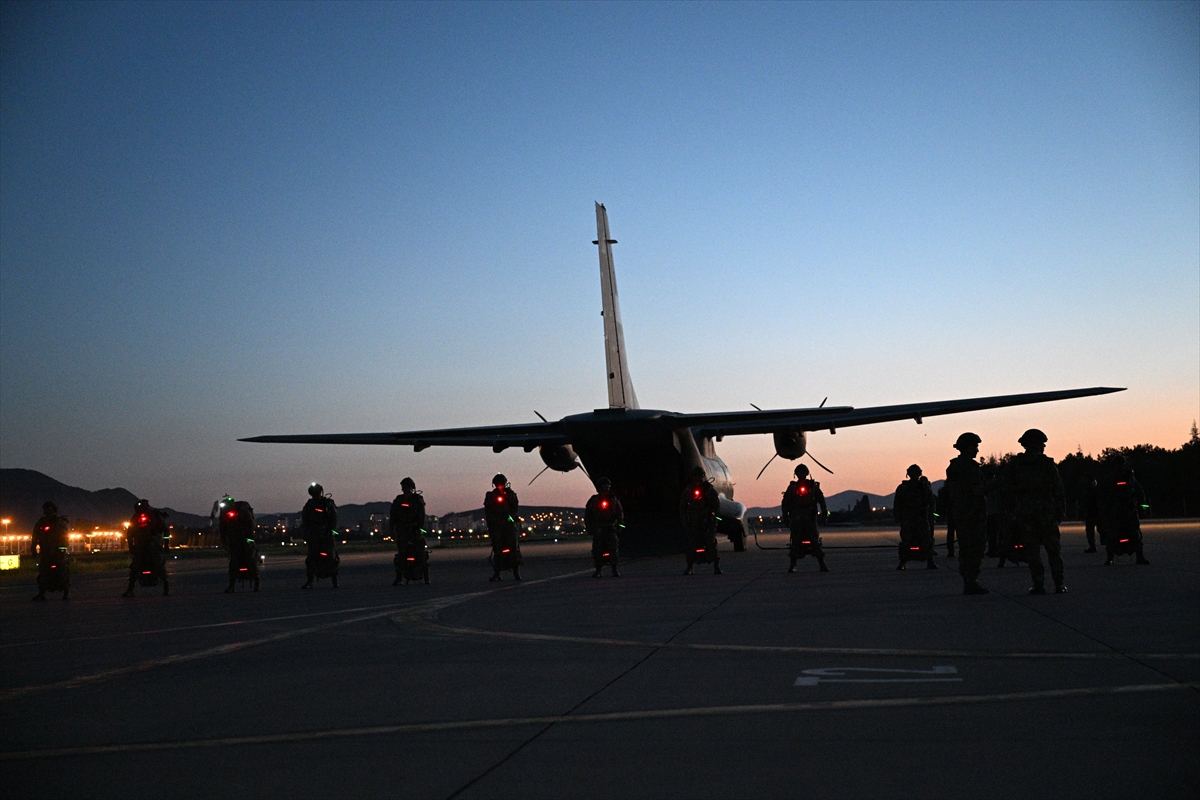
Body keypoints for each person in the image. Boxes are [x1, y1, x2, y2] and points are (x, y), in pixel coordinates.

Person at [1005, 429, 1067, 594]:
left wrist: (1011, 512)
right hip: (1046, 512)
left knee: (1032, 550)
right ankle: (1059, 584)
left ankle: (1038, 583)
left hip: (1026, 513)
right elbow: (1058, 489)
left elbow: (1008, 489)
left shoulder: (1017, 464)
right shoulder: (1047, 464)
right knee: (1053, 549)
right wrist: (1061, 510)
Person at [944, 433, 990, 595]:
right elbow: (975, 490)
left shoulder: (954, 466)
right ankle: (971, 581)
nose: (977, 449)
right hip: (972, 513)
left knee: (965, 547)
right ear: (968, 447)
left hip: (961, 512)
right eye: (975, 446)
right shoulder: (969, 467)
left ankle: (968, 580)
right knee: (975, 548)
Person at [1097, 453, 1150, 566]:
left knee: (1136, 533)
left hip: (1130, 510)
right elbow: (1102, 496)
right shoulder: (1109, 480)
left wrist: (1143, 508)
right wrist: (1104, 511)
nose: (1119, 467)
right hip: (1115, 512)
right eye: (1117, 464)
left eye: (1121, 464)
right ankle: (1110, 557)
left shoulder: (1131, 479)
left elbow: (1140, 493)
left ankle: (1140, 557)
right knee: (1111, 534)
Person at [781, 463, 829, 573]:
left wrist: (824, 514)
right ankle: (793, 565)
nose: (801, 475)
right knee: (795, 542)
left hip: (809, 517)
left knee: (814, 541)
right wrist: (786, 517)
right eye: (800, 473)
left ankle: (821, 564)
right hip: (798, 518)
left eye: (803, 473)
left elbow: (821, 501)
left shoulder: (813, 487)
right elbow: (785, 503)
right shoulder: (793, 487)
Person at [122, 499, 170, 597]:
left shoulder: (155, 516)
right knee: (135, 566)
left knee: (159, 564)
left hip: (153, 544)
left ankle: (166, 587)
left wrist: (166, 544)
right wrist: (131, 546)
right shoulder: (135, 518)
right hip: (140, 545)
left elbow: (166, 530)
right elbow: (130, 533)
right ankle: (131, 588)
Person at [893, 465, 936, 571]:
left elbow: (931, 501)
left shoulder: (924, 487)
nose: (914, 475)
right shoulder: (903, 488)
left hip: (921, 517)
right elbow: (897, 503)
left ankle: (930, 561)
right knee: (906, 540)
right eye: (912, 473)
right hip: (907, 518)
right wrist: (897, 516)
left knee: (926, 540)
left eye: (916, 473)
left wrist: (932, 514)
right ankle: (902, 561)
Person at [680, 466, 721, 575]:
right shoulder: (688, 491)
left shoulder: (709, 490)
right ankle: (690, 566)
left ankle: (716, 566)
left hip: (707, 521)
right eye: (696, 476)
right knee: (691, 543)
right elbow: (682, 507)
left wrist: (715, 520)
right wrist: (685, 522)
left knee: (711, 543)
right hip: (693, 521)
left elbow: (716, 506)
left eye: (699, 476)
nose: (698, 479)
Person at [390, 477, 429, 585]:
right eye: (403, 487)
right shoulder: (398, 500)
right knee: (401, 555)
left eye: (407, 487)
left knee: (421, 553)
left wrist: (420, 531)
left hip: (415, 530)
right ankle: (399, 577)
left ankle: (426, 575)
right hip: (402, 531)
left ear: (412, 488)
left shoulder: (417, 500)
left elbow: (422, 517)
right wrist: (392, 531)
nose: (405, 489)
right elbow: (392, 516)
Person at [300, 483, 339, 589]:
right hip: (313, 536)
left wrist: (331, 530)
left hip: (326, 535)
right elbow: (305, 520)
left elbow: (334, 518)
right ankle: (310, 580)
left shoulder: (328, 503)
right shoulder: (309, 504)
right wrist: (306, 534)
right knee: (311, 559)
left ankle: (334, 580)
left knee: (332, 557)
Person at [485, 474, 523, 581]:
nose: (500, 486)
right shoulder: (490, 496)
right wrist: (491, 525)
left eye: (501, 484)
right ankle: (497, 573)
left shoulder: (510, 495)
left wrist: (510, 517)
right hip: (497, 526)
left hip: (509, 525)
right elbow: (488, 512)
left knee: (514, 549)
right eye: (498, 484)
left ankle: (516, 572)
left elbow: (515, 508)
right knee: (497, 549)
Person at [218, 496, 259, 593]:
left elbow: (250, 524)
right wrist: (224, 540)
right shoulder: (224, 514)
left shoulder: (242, 510)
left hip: (245, 538)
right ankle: (232, 585)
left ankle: (257, 583)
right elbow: (222, 528)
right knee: (233, 562)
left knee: (250, 559)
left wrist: (249, 538)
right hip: (233, 540)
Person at [585, 477, 623, 578]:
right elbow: (588, 515)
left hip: (610, 527)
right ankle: (598, 570)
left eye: (607, 487)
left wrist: (619, 525)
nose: (606, 489)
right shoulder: (594, 500)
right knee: (597, 549)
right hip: (599, 527)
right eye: (604, 487)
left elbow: (620, 514)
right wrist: (589, 528)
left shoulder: (614, 500)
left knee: (613, 548)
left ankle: (614, 569)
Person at [31, 501, 70, 601]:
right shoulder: (41, 522)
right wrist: (33, 548)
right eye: (46, 509)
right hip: (45, 551)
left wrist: (61, 550)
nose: (47, 511)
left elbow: (65, 537)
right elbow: (35, 536)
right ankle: (41, 593)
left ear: (54, 510)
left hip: (58, 552)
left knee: (61, 571)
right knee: (44, 572)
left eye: (49, 509)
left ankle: (66, 592)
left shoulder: (60, 522)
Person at [1081, 471, 1102, 554]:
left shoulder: (1090, 490)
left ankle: (1094, 545)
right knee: (1093, 530)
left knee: (1096, 529)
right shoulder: (1091, 490)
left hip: (1094, 512)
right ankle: (1093, 545)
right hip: (1093, 512)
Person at [936, 484, 956, 558]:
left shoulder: (945, 490)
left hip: (954, 513)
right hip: (954, 513)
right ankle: (951, 550)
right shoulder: (946, 490)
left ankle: (951, 551)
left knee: (951, 532)